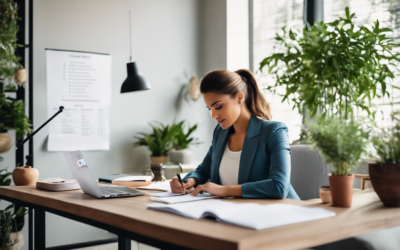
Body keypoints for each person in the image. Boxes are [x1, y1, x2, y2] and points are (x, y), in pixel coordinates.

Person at [170, 69, 300, 200]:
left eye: (219, 106)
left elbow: (279, 187)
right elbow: (204, 170)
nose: (213, 115)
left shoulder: (274, 131)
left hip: (281, 213)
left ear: (239, 97)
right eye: (210, 108)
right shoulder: (220, 132)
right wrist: (191, 180)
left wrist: (225, 190)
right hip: (232, 213)